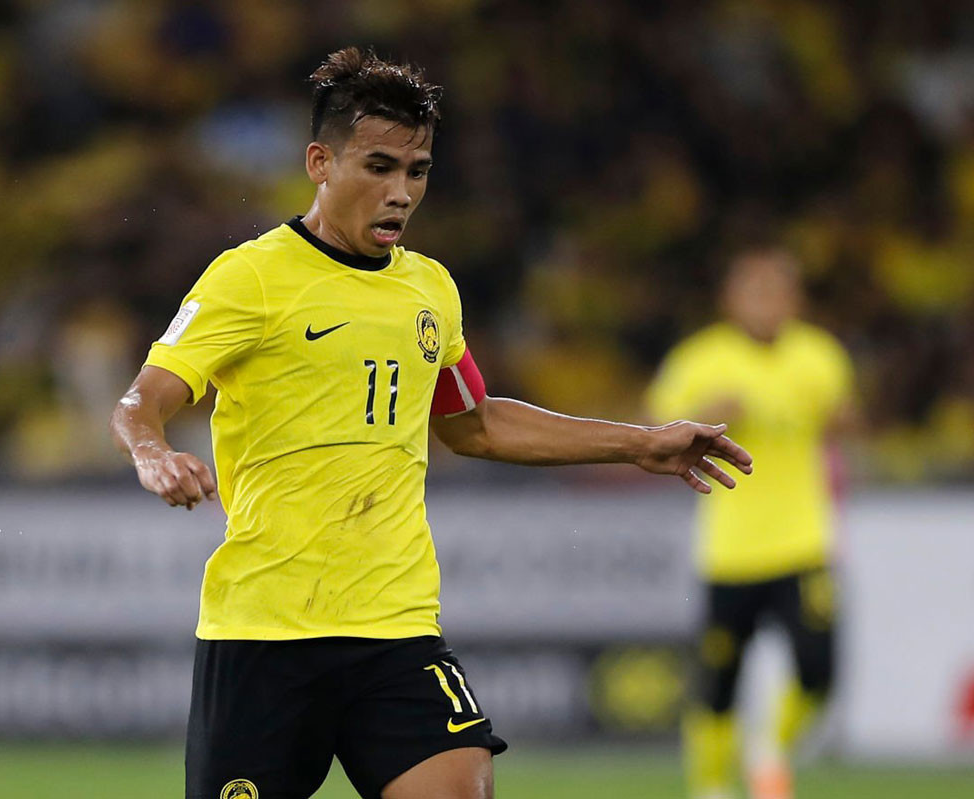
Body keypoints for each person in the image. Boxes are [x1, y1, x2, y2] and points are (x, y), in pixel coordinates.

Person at [110, 47, 752, 799]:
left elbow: (473, 424)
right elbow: (142, 400)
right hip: (266, 630)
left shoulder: (430, 290)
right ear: (320, 162)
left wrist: (641, 444)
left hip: (396, 624)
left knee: (459, 785)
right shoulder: (250, 277)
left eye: (417, 171)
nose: (401, 193)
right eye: (379, 167)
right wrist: (153, 452)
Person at [646, 249, 857, 799]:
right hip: (731, 549)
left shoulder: (818, 356)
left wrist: (841, 419)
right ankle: (711, 786)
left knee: (819, 672)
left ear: (796, 300)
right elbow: (653, 425)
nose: (767, 303)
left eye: (777, 291)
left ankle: (769, 749)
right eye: (755, 292)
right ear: (730, 299)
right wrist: (705, 414)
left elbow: (845, 418)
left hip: (803, 542)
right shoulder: (702, 359)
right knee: (720, 679)